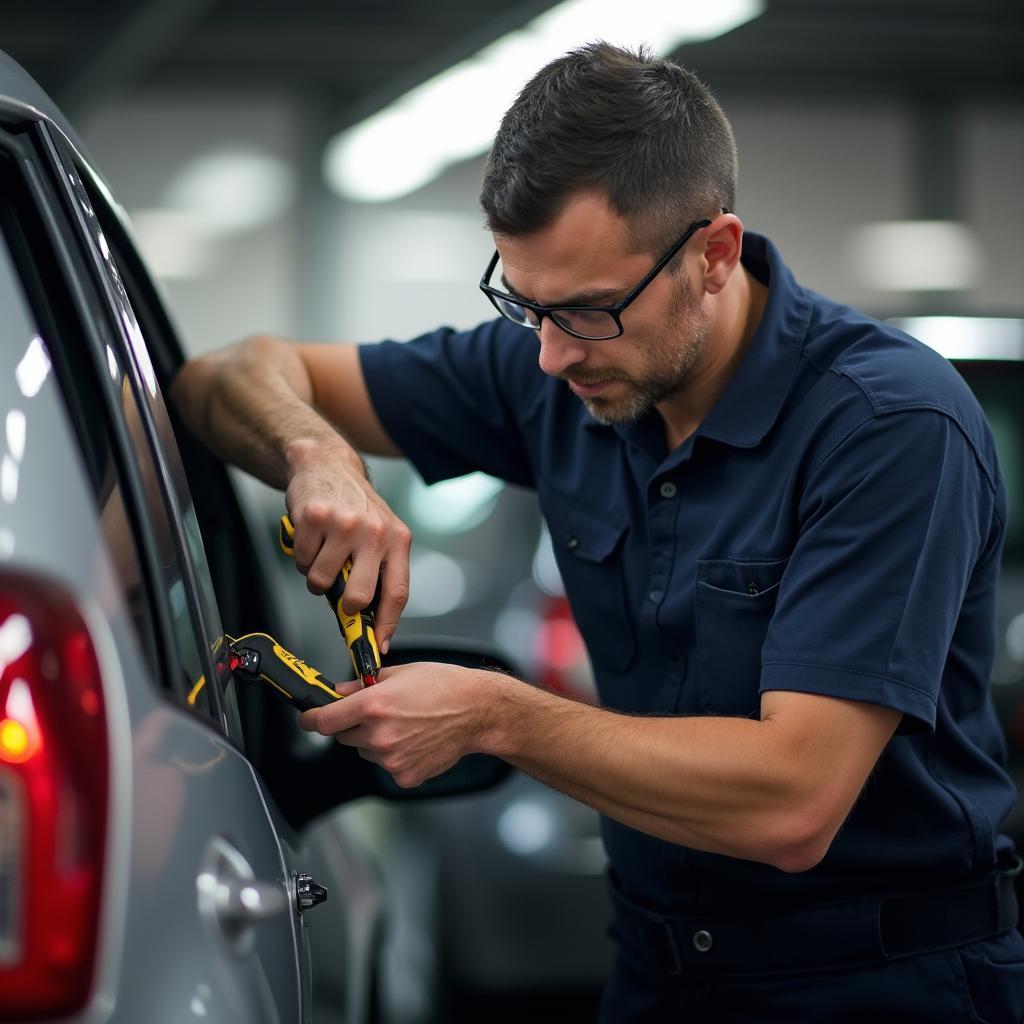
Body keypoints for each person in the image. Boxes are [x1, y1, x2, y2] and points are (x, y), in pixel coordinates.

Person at [172, 42, 1023, 1022]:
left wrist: (499, 715)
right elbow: (221, 378)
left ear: (712, 253)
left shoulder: (884, 426)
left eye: (585, 310)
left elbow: (793, 802)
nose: (547, 354)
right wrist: (317, 455)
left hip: (876, 988)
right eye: (522, 303)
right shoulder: (560, 370)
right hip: (655, 971)